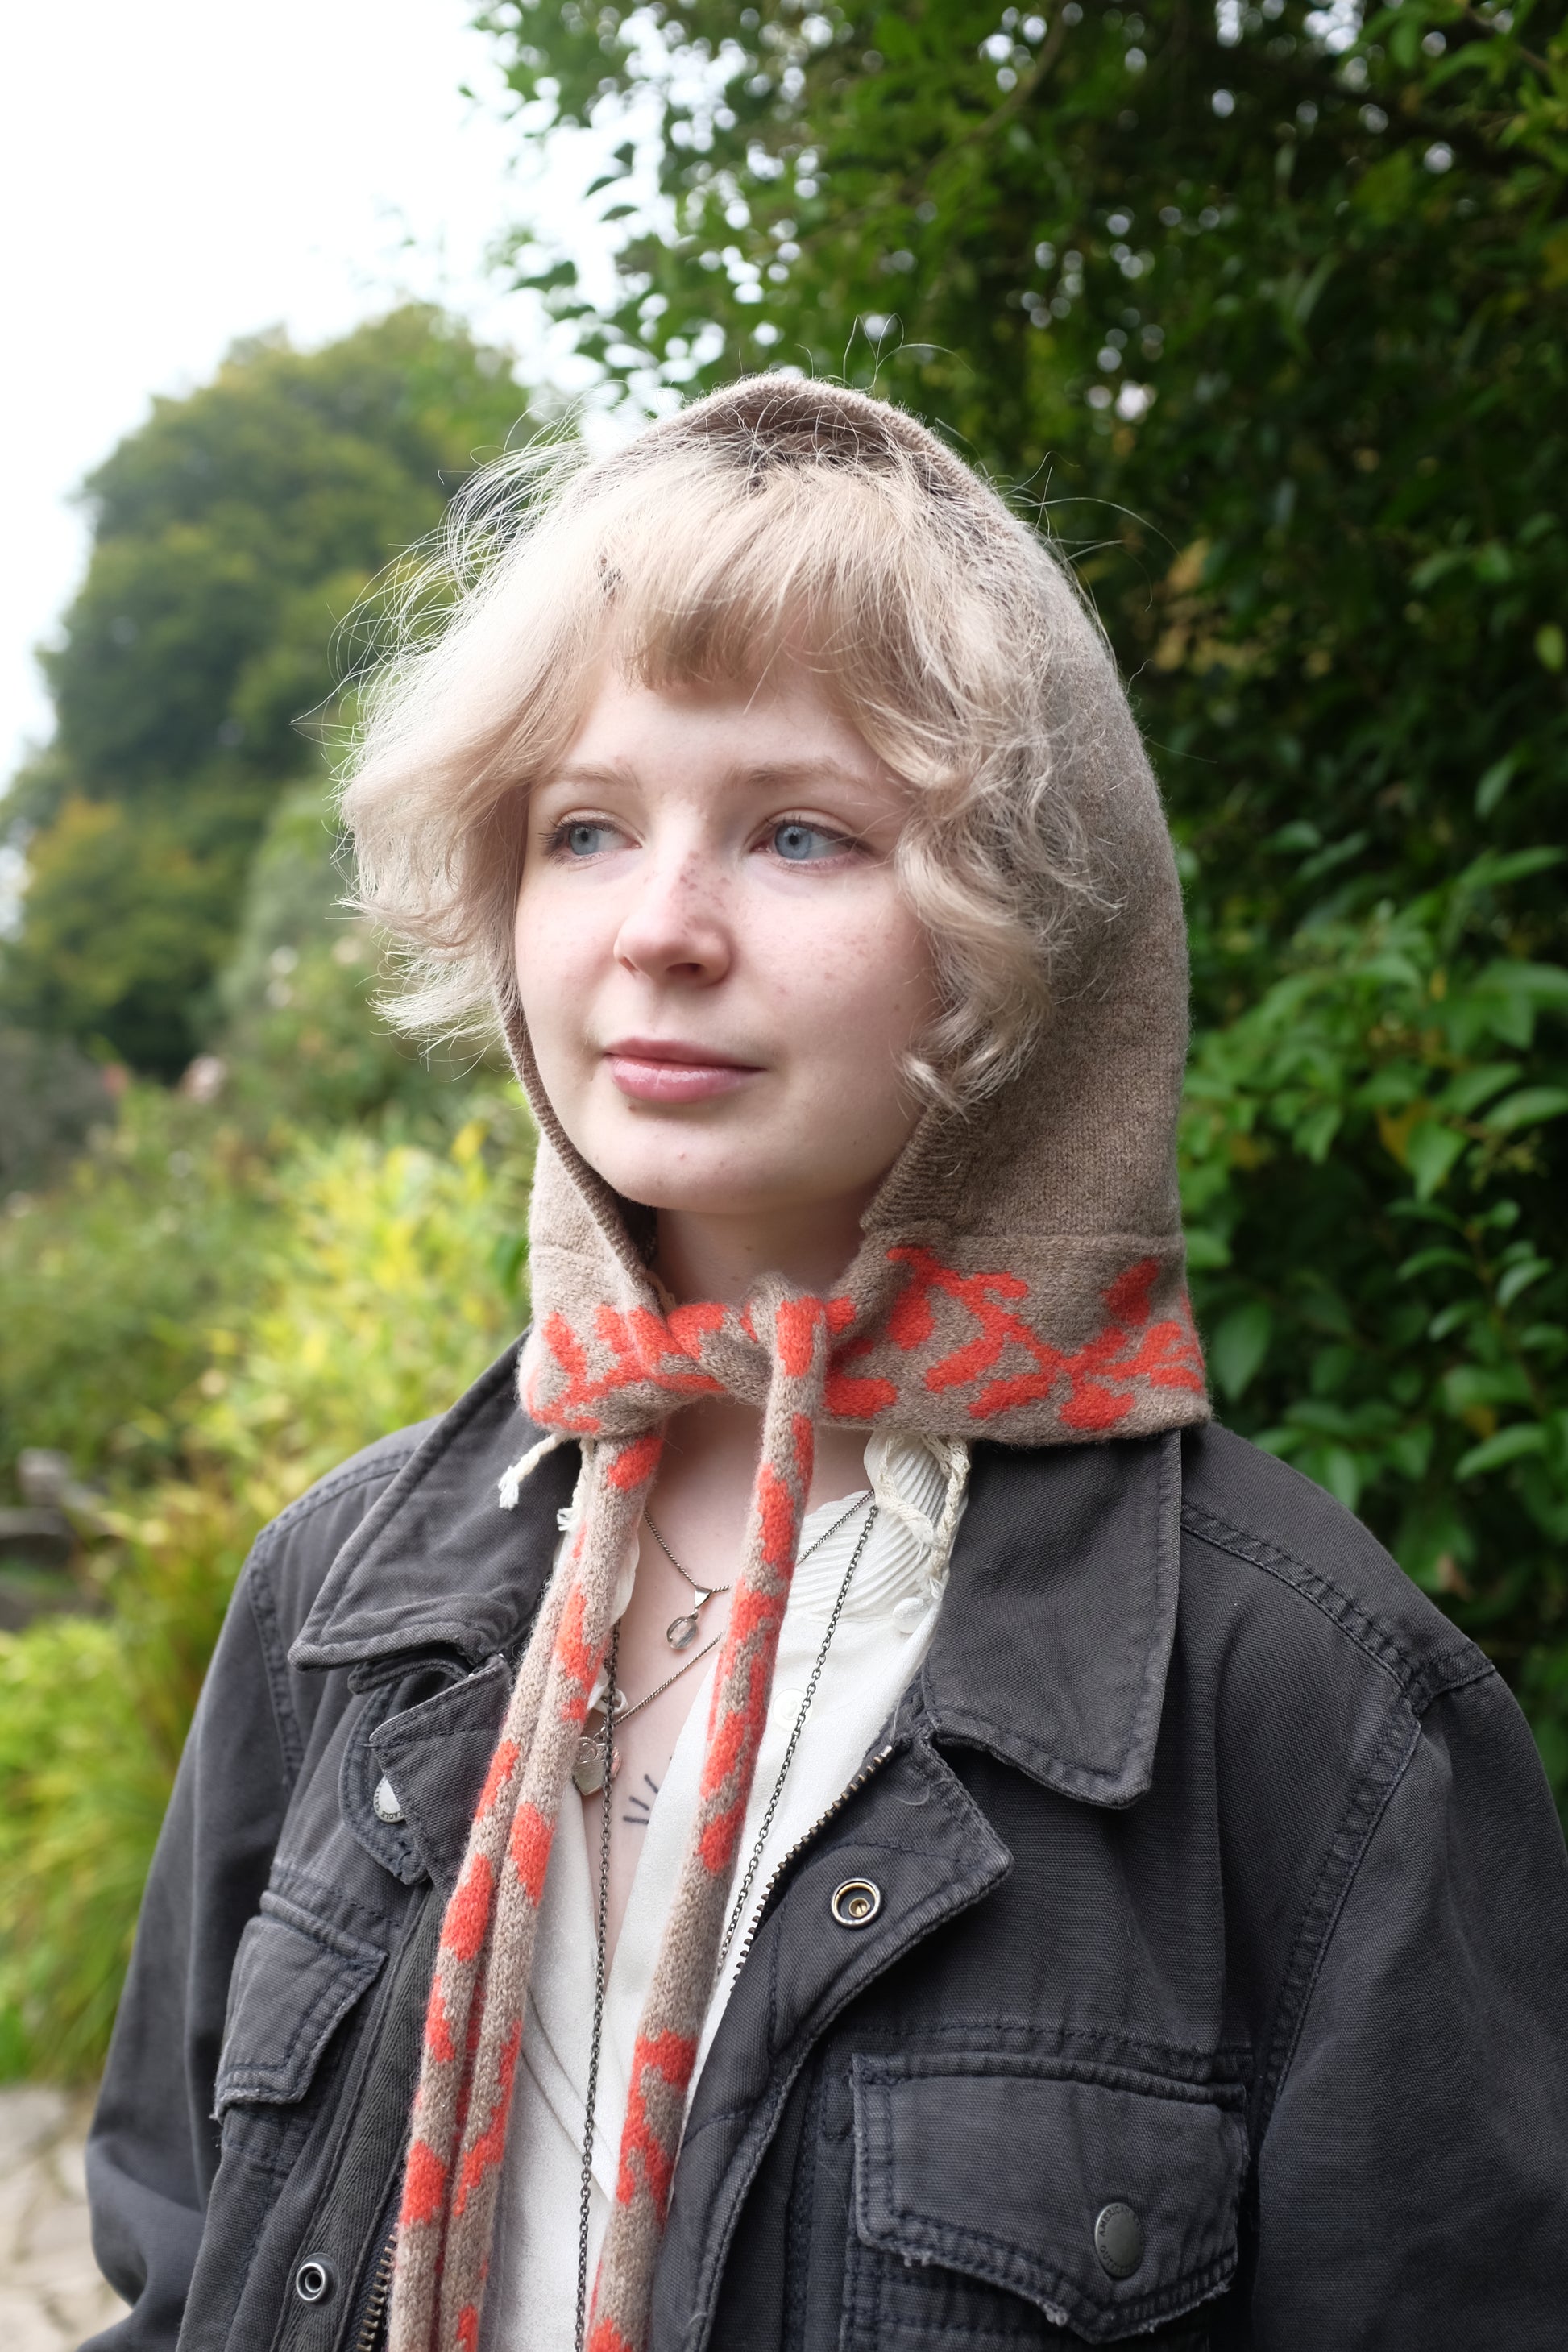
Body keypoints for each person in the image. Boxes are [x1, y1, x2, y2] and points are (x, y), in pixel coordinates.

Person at [84, 379, 1568, 2352]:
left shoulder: (1304, 1699)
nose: (660, 931)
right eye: (585, 827)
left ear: (1019, 923)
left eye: (799, 832)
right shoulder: (337, 1594)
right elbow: (181, 2271)